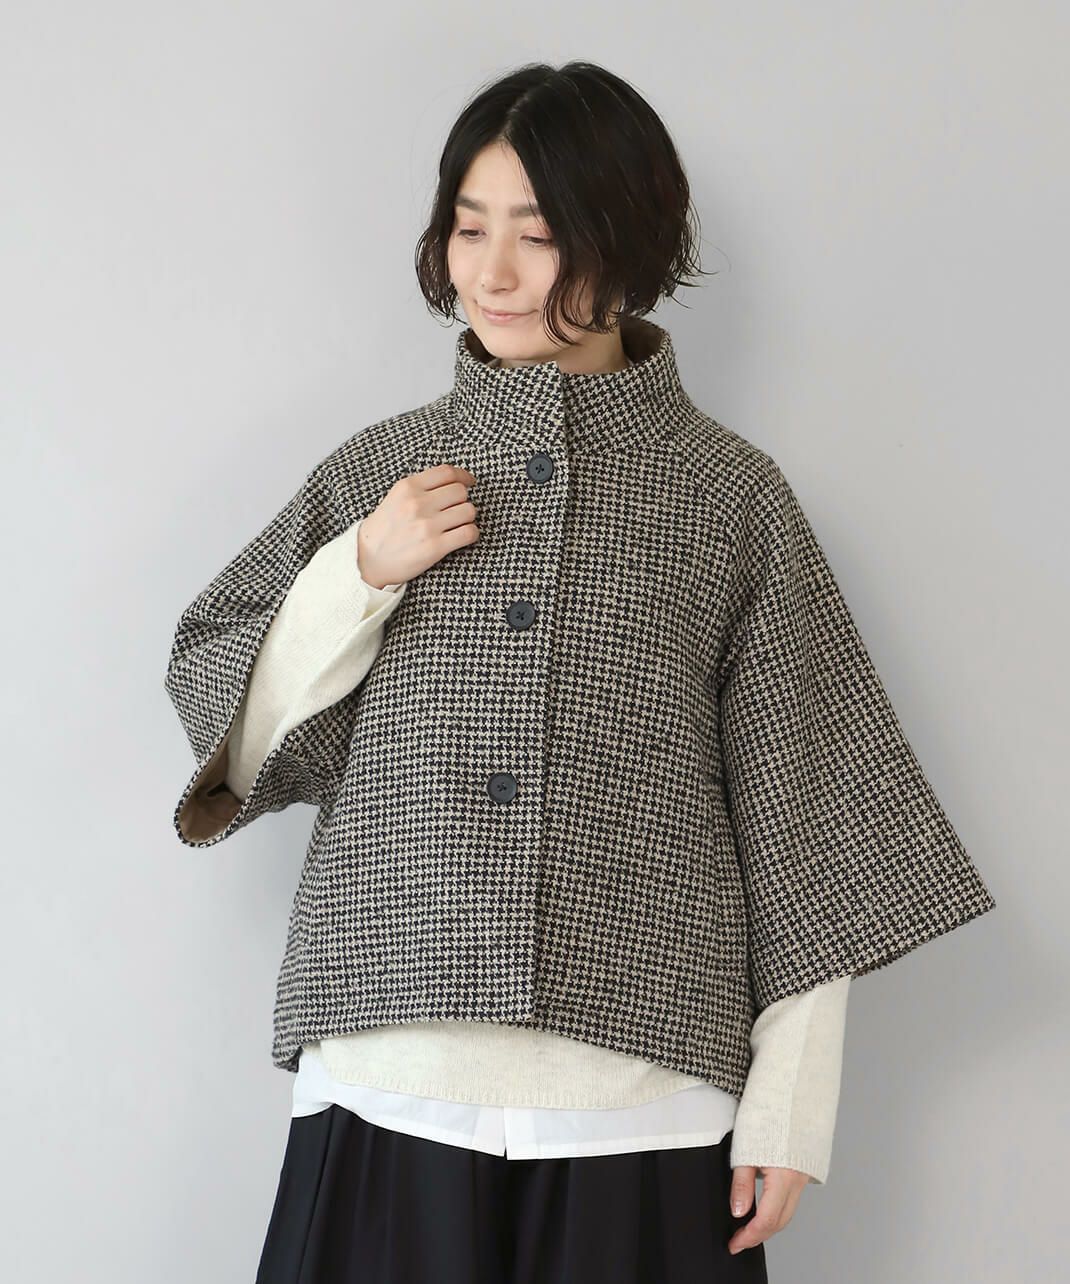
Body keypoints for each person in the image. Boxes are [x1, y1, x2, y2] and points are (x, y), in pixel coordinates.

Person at [165, 62, 996, 1283]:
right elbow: (237, 736)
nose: (492, 273)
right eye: (468, 228)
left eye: (540, 234)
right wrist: (358, 571)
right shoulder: (382, 474)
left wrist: (787, 1112)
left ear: (627, 242)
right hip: (390, 1076)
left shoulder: (729, 498)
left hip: (643, 1102)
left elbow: (812, 817)